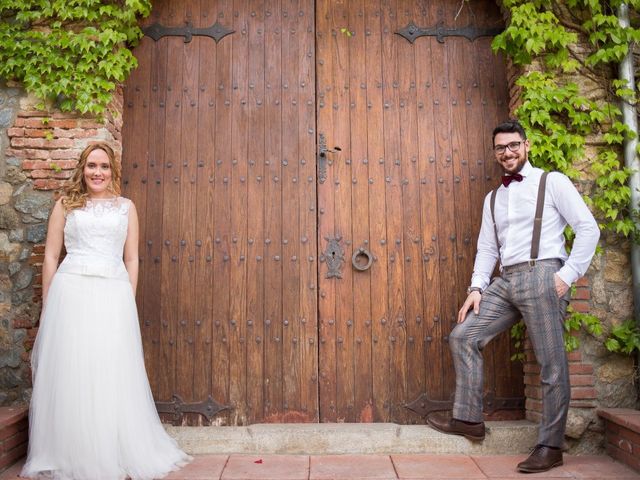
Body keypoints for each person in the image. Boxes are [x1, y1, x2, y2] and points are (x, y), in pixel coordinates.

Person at [427, 120, 600, 473]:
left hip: (543, 274)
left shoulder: (552, 182)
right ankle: (469, 419)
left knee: (551, 364)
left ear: (527, 145)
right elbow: (487, 249)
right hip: (505, 281)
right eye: (500, 148)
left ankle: (550, 446)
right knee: (463, 335)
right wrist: (476, 288)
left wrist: (565, 277)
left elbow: (587, 228)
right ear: (495, 153)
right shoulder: (493, 198)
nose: (507, 153)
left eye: (513, 145)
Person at [21, 142, 190, 480]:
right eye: (91, 166)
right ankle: (70, 449)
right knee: (74, 369)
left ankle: (111, 448)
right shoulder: (65, 206)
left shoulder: (125, 208)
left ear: (113, 171)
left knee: (108, 368)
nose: (97, 173)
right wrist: (49, 301)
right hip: (71, 294)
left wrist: (128, 296)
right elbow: (52, 257)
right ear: (82, 169)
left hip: (112, 294)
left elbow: (131, 258)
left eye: (104, 167)